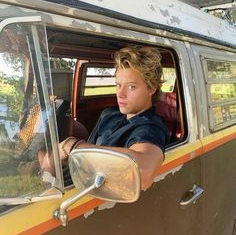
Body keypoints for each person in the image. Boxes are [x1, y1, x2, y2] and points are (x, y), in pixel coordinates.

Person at [42, 46, 169, 190]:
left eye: (131, 87)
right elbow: (89, 157)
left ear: (151, 88)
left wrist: (72, 146)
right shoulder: (109, 115)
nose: (120, 94)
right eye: (118, 85)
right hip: (77, 180)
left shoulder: (150, 128)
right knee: (40, 155)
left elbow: (142, 172)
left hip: (93, 191)